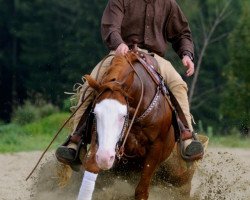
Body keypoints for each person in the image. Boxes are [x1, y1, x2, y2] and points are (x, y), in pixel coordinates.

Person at [56, 0, 203, 165]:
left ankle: (187, 137)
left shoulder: (168, 3)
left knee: (178, 85)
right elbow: (111, 27)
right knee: (88, 87)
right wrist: (119, 43)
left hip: (153, 57)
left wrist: (186, 54)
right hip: (120, 55)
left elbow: (182, 33)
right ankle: (76, 141)